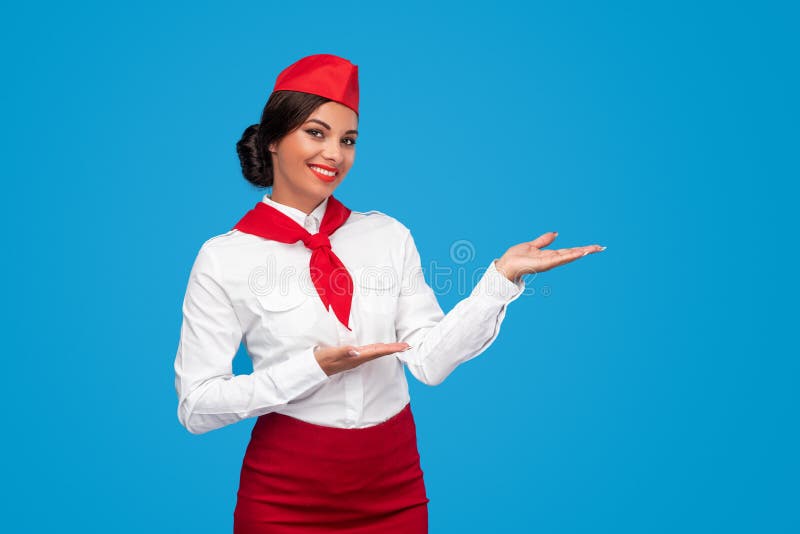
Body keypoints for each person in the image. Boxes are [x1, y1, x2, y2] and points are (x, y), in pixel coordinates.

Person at [173, 53, 605, 533]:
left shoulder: (387, 235)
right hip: (284, 492)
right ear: (273, 139)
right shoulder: (224, 258)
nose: (334, 154)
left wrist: (499, 280)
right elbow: (196, 406)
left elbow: (428, 362)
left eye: (348, 139)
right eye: (316, 133)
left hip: (393, 487)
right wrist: (311, 368)